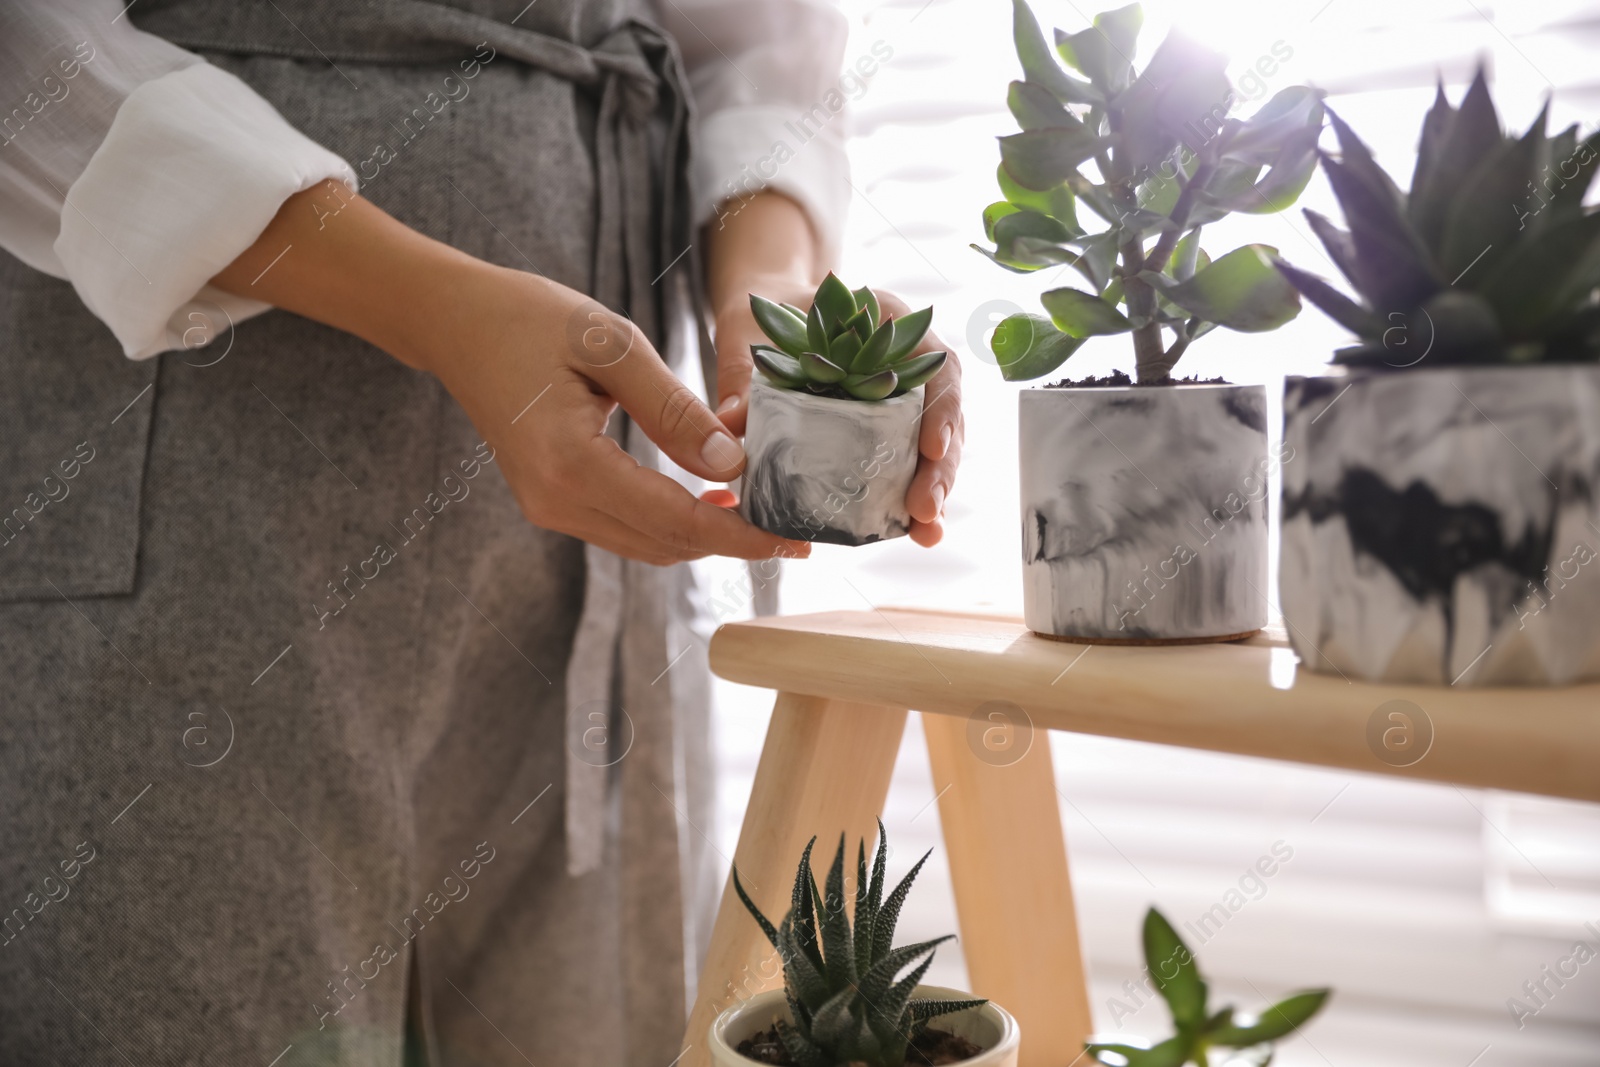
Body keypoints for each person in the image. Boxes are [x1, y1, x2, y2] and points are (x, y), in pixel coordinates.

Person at [0, 0, 963, 1064]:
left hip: (594, 518)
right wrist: (437, 303)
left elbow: (750, 39)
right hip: (203, 460)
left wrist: (772, 305)